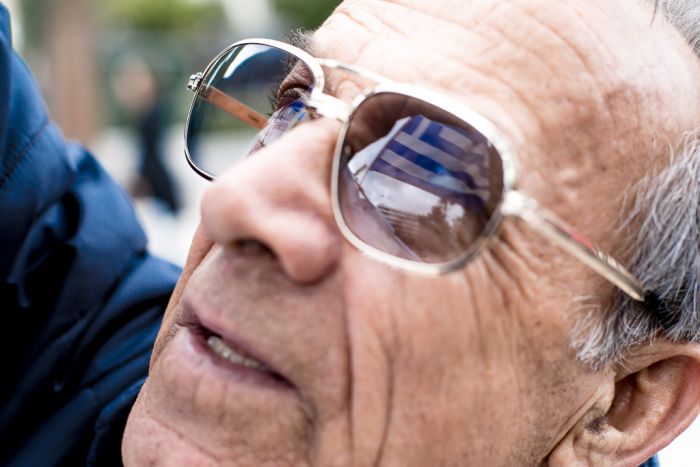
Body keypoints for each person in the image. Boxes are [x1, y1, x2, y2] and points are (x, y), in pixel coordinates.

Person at [1, 0, 699, 465]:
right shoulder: (53, 329)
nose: (235, 199)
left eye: (425, 175)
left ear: (629, 403)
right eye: (292, 106)